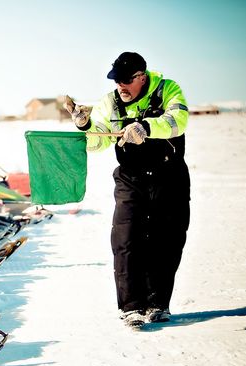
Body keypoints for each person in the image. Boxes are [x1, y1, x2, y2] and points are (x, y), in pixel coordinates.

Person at [64, 51, 190, 328]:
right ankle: (131, 306)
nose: (120, 86)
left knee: (166, 240)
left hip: (169, 177)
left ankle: (157, 303)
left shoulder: (167, 89)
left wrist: (145, 127)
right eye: (116, 81)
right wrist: (84, 125)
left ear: (141, 77)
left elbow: (178, 122)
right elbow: (97, 143)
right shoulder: (110, 101)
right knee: (126, 238)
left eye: (125, 80)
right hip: (131, 178)